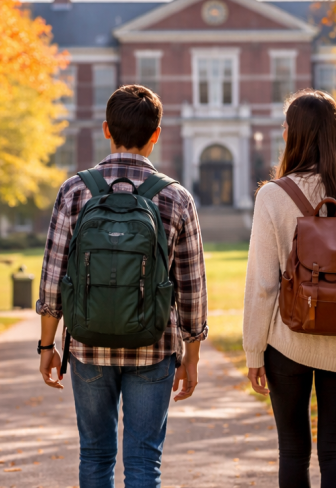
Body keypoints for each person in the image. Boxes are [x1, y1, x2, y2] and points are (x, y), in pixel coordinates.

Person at [37, 84, 208, 488]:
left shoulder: (75, 189)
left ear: (106, 130)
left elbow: (52, 277)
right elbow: (192, 287)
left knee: (95, 455)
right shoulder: (176, 198)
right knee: (144, 461)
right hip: (154, 345)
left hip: (88, 345)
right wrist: (193, 355)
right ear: (157, 134)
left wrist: (48, 346)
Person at [243, 89, 336, 488]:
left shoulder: (273, 196)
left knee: (293, 450)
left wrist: (254, 350)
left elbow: (262, 284)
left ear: (293, 135)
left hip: (286, 341)